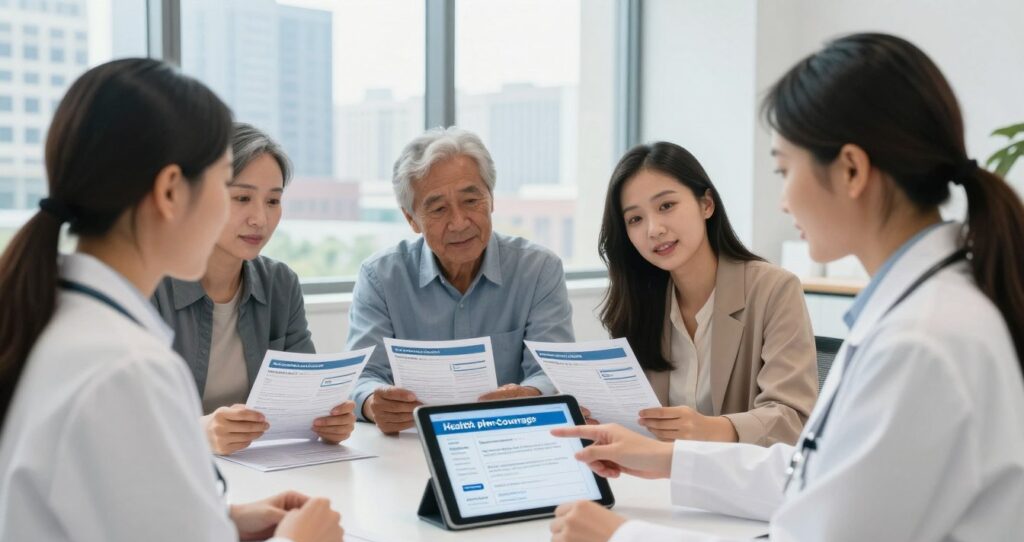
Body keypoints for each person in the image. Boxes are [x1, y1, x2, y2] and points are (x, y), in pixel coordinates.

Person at [549, 33, 1024, 542]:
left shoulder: (923, 342)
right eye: (635, 218)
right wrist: (666, 459)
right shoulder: (921, 314)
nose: (782, 199)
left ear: (850, 170)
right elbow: (816, 474)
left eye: (783, 170)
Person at [0, 59, 344, 542]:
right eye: (224, 184)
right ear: (169, 192)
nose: (257, 216)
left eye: (271, 200)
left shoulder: (55, 317)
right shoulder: (126, 368)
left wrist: (221, 522)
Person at [347, 126, 575, 433]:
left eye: (471, 201)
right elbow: (363, 377)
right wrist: (373, 404)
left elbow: (552, 371)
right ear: (411, 219)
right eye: (439, 209)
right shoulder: (380, 277)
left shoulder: (538, 269)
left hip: (510, 438)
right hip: (413, 445)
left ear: (491, 199)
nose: (459, 222)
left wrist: (530, 394)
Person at [596, 141, 817, 445]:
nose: (654, 229)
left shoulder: (774, 290)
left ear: (706, 204)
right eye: (635, 219)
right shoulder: (639, 303)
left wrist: (708, 429)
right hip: (659, 479)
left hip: (741, 483)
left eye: (666, 206)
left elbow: (791, 418)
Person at [153, 123, 354, 455]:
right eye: (242, 198)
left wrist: (328, 421)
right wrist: (196, 431)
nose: (260, 218)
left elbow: (303, 401)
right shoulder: (152, 285)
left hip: (256, 470)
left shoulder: (280, 284)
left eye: (273, 201)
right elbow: (118, 419)